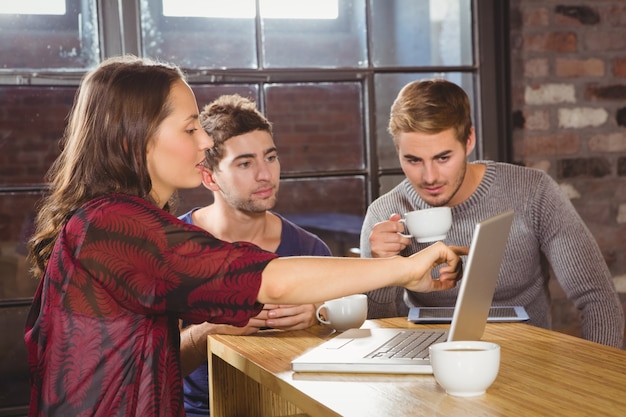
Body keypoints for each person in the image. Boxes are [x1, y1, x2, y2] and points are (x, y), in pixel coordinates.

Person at [24, 56, 465, 417]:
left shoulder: (118, 221)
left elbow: (146, 366)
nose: (202, 145)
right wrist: (406, 269)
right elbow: (268, 279)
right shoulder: (114, 227)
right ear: (131, 141)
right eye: (190, 128)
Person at [361, 78, 625, 348]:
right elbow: (377, 330)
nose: (430, 177)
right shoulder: (386, 214)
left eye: (443, 158)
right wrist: (384, 267)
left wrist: (603, 382)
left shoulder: (533, 192)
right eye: (413, 160)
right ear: (399, 152)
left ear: (469, 140)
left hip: (528, 366)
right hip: (428, 364)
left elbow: (597, 298)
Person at [178, 94, 331, 416]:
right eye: (245, 163)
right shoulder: (173, 248)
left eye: (271, 158)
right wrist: (213, 328)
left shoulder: (310, 250)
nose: (265, 175)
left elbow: (338, 351)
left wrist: (318, 314)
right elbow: (151, 367)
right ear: (209, 176)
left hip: (292, 409)